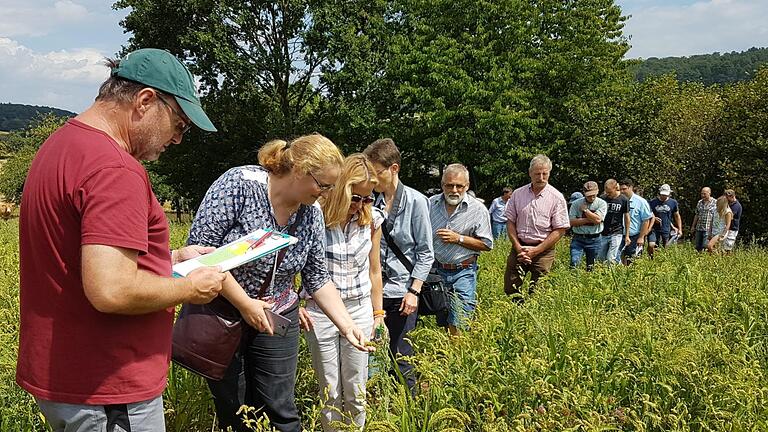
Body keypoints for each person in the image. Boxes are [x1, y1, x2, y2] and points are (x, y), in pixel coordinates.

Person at [16, 48, 227, 432]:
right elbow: (111, 290)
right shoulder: (115, 169)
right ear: (145, 101)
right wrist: (191, 287)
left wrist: (172, 256)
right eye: (179, 125)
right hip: (108, 388)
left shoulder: (63, 145)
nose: (177, 140)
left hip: (67, 375)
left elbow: (79, 254)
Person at [188, 135, 372, 432]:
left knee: (280, 408)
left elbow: (316, 277)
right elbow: (200, 251)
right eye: (322, 185)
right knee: (234, 409)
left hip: (276, 315)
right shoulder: (239, 185)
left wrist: (346, 324)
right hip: (224, 311)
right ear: (299, 170)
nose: (326, 194)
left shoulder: (310, 214)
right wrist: (245, 304)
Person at [299, 154, 384, 431]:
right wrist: (294, 302)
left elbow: (374, 271)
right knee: (330, 390)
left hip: (359, 309)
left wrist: (378, 312)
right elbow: (293, 262)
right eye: (355, 197)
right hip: (320, 312)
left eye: (367, 199)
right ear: (339, 190)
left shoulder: (372, 222)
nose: (359, 206)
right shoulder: (314, 217)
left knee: (356, 389)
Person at [364, 138, 434, 392]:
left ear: (394, 169)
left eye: (377, 173)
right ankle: (378, 406)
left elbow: (426, 252)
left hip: (403, 292)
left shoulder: (417, 202)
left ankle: (410, 407)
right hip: (375, 292)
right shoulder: (369, 202)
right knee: (373, 355)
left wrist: (414, 291)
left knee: (402, 355)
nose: (372, 179)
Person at [428, 164, 493, 335]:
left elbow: (487, 244)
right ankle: (445, 352)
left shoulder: (478, 209)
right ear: (442, 185)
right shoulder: (430, 204)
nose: (454, 190)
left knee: (460, 319)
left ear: (467, 186)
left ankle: (458, 356)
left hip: (463, 271)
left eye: (459, 186)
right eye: (449, 185)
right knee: (442, 316)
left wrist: (459, 239)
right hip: (436, 270)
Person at [503, 154, 569, 301]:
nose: (541, 177)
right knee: (511, 285)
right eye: (537, 173)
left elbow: (559, 230)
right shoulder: (517, 195)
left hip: (544, 249)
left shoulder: (556, 197)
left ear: (549, 173)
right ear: (530, 173)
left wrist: (537, 250)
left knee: (538, 290)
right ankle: (516, 312)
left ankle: (533, 318)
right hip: (519, 246)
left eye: (545, 173)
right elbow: (510, 222)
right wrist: (518, 247)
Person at [568, 181, 607, 271]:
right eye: (589, 195)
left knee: (591, 266)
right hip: (578, 238)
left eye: (594, 195)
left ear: (597, 191)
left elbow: (598, 220)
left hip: (595, 239)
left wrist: (586, 211)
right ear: (584, 193)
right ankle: (574, 281)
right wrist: (591, 219)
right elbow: (571, 222)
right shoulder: (576, 204)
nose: (592, 197)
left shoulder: (602, 203)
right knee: (574, 262)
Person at [619, 179, 653, 265]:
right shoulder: (619, 200)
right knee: (619, 259)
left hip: (634, 236)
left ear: (630, 188)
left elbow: (646, 220)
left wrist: (641, 237)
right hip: (619, 234)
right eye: (620, 189)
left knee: (633, 260)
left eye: (624, 189)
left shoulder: (641, 202)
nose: (622, 191)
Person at [598, 179, 630, 264]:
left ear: (616, 188)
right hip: (603, 232)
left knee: (611, 258)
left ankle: (612, 275)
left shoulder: (624, 200)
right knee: (600, 258)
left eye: (610, 192)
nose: (608, 194)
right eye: (607, 192)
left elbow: (627, 217)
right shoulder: (603, 199)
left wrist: (627, 235)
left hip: (617, 232)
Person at [647, 184, 683, 258]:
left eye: (665, 195)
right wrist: (654, 218)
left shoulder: (673, 203)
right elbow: (647, 214)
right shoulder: (652, 202)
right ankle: (651, 259)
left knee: (665, 247)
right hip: (653, 228)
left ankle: (661, 261)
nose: (664, 196)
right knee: (652, 245)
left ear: (669, 194)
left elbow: (676, 216)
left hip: (666, 228)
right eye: (662, 194)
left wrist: (679, 229)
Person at [691, 187, 716, 252]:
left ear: (709, 193)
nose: (702, 195)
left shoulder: (715, 202)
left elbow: (717, 217)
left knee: (705, 246)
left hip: (708, 228)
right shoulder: (699, 202)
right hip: (699, 227)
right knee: (697, 246)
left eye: (704, 194)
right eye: (701, 194)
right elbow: (696, 215)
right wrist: (693, 226)